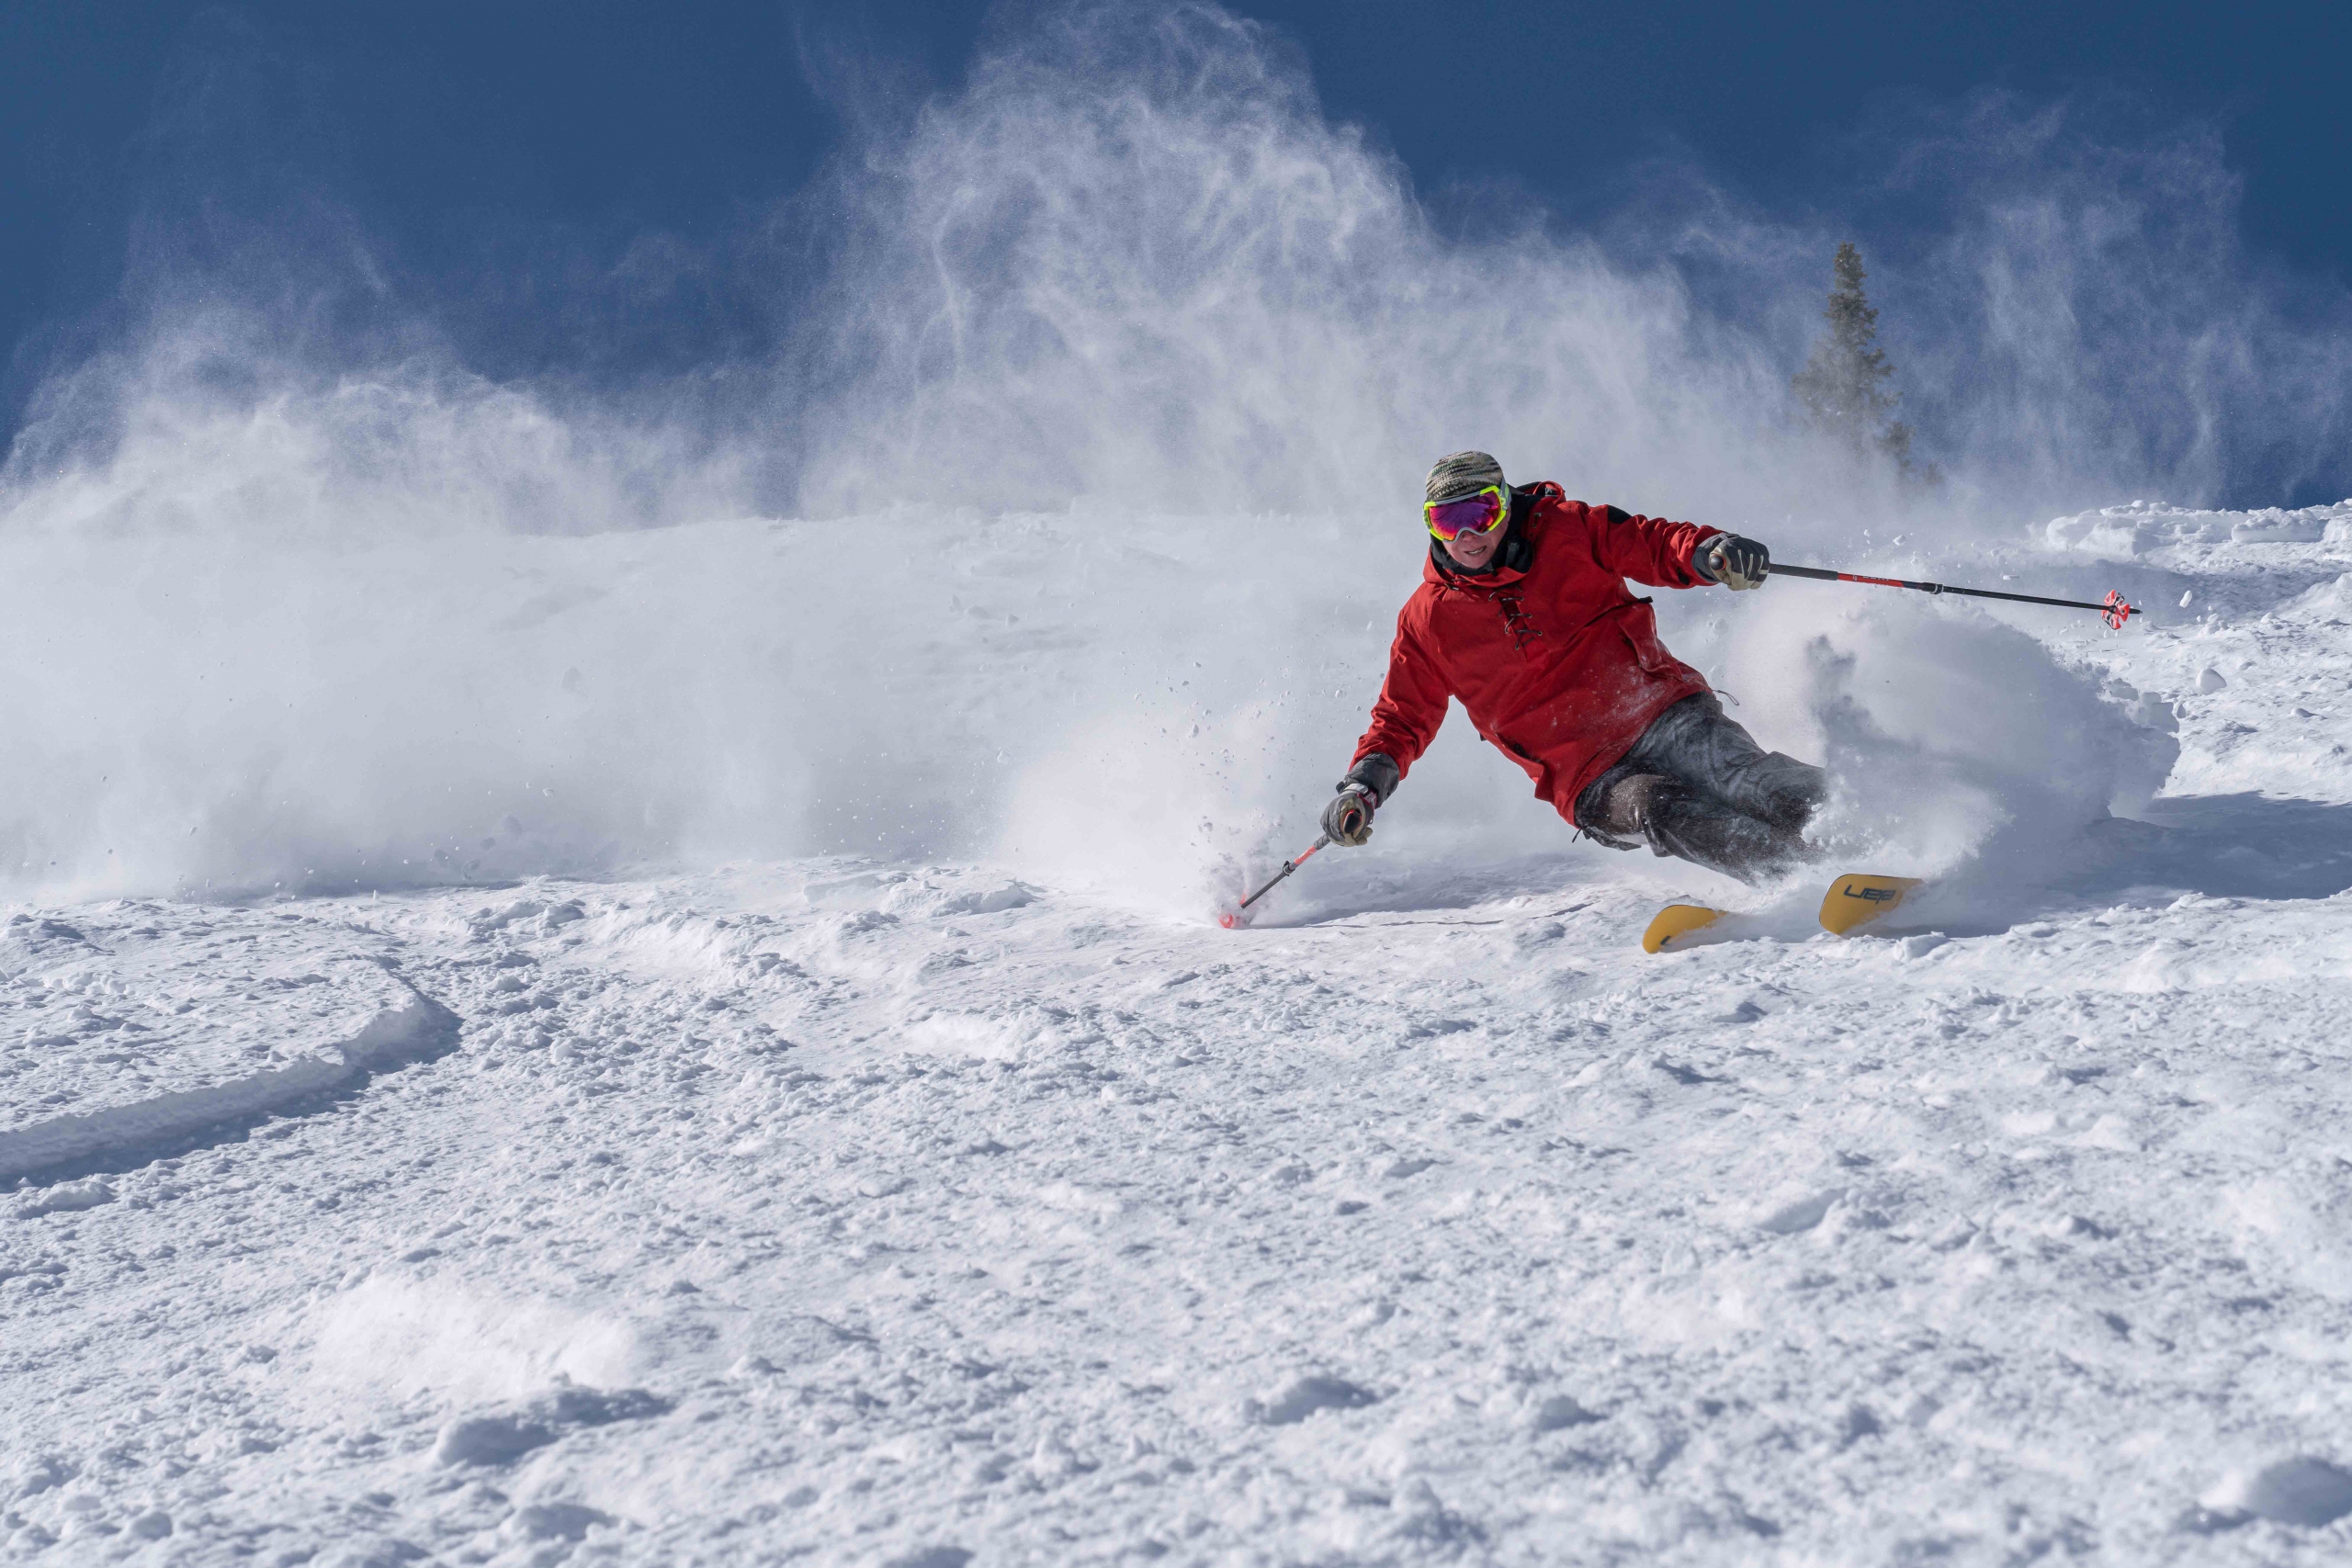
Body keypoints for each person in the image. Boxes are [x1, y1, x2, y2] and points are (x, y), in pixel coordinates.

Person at [1322, 451, 1828, 884]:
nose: (1468, 535)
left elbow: (1651, 543)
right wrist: (1362, 788)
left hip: (1659, 711)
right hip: (1585, 774)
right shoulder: (1428, 620)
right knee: (1660, 808)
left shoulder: (1569, 529)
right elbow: (1401, 718)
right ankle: (1803, 878)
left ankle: (1859, 818)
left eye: (1482, 512)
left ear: (1506, 504)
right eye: (1448, 522)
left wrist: (1708, 552)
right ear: (1430, 526)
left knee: (1741, 778)